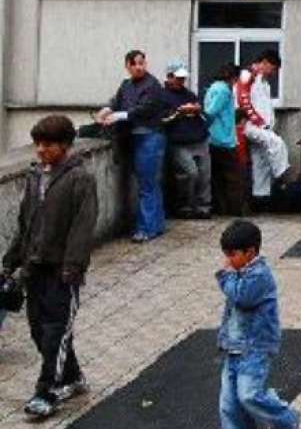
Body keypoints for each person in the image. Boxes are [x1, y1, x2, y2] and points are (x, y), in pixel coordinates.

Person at [3, 116, 98, 420]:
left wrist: (73, 267)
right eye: (38, 144)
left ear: (65, 145)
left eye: (48, 145)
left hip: (62, 271)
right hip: (34, 268)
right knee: (39, 330)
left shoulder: (80, 179)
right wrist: (11, 260)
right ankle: (72, 376)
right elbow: (25, 223)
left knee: (57, 331)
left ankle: (47, 391)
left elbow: (83, 227)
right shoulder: (34, 176)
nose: (41, 150)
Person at [216, 220, 299, 429]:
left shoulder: (259, 275)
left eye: (232, 255)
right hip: (234, 348)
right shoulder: (239, 272)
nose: (227, 261)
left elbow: (242, 297)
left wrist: (225, 276)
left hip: (255, 349)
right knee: (229, 405)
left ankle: (287, 418)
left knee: (249, 395)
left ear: (250, 252)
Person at [95, 49, 169, 243]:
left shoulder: (152, 85)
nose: (139, 67)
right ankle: (156, 225)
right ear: (127, 66)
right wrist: (106, 110)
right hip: (134, 137)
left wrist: (118, 115)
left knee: (147, 184)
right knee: (149, 183)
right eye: (134, 64)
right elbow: (117, 101)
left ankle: (146, 228)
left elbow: (144, 109)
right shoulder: (126, 85)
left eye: (141, 63)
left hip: (149, 136)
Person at [237, 50, 288, 208]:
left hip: (262, 126)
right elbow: (243, 100)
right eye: (273, 68)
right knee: (276, 143)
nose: (273, 73)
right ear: (264, 62)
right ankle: (280, 175)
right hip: (250, 125)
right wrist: (257, 120)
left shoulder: (264, 83)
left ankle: (260, 198)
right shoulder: (247, 75)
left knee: (261, 162)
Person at [160, 62, 212, 219]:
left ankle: (203, 207)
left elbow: (203, 114)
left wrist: (197, 110)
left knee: (204, 175)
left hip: (199, 138)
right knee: (190, 173)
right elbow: (162, 119)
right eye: (178, 78)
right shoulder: (162, 96)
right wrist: (178, 113)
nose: (181, 81)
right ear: (169, 77)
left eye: (183, 78)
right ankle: (184, 207)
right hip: (178, 142)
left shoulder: (189, 95)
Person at [207, 63, 246, 216]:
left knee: (217, 178)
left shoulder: (212, 87)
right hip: (224, 139)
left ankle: (220, 208)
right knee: (234, 178)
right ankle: (235, 209)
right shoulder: (224, 90)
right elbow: (211, 112)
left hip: (213, 138)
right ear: (233, 78)